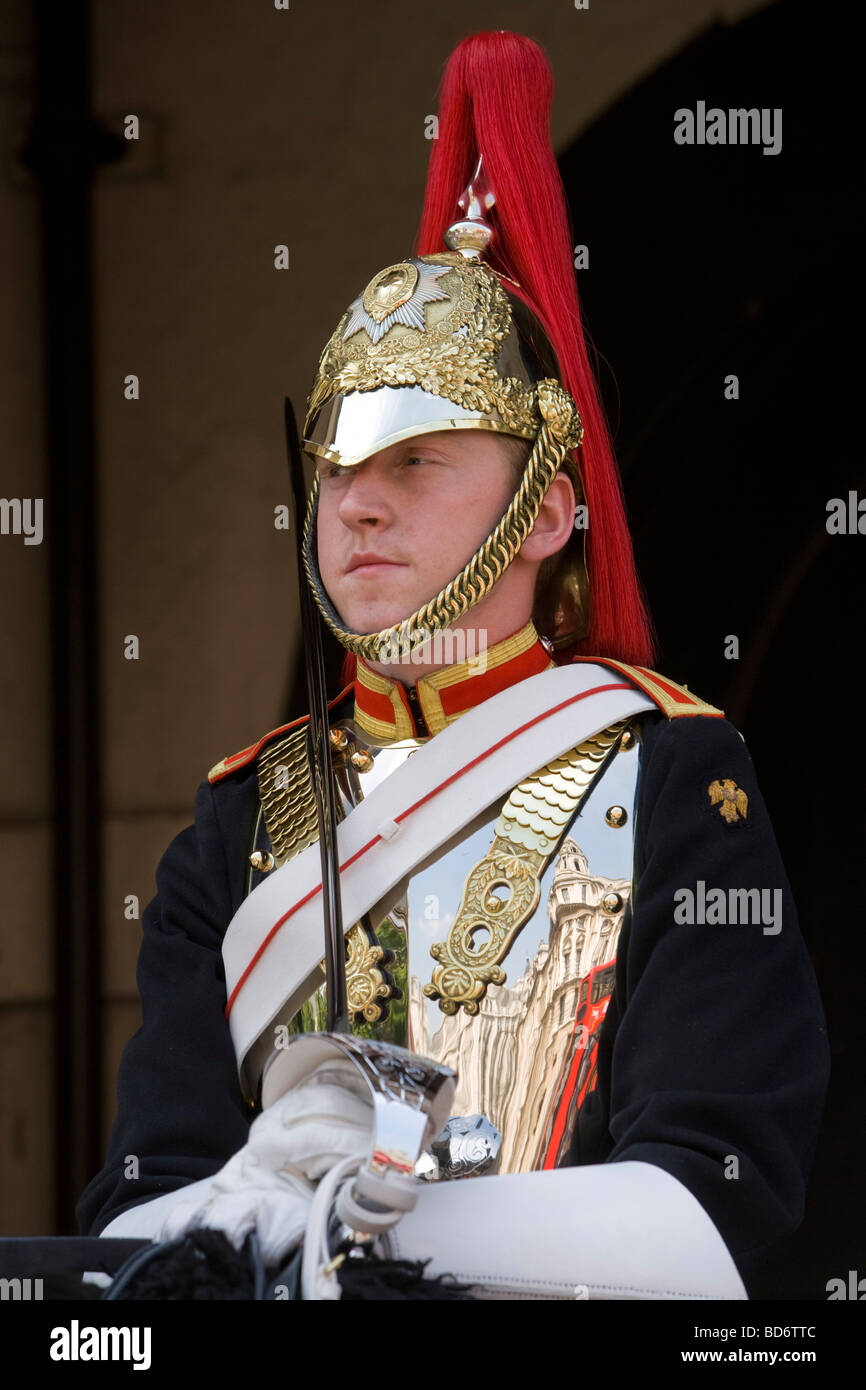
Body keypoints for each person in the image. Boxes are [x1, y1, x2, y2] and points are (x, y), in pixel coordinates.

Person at [77, 30, 829, 1300]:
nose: (357, 506)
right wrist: (244, 1197)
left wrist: (364, 1231)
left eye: (415, 463)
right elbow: (132, 1227)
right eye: (336, 468)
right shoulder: (236, 819)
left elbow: (713, 1204)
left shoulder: (671, 775)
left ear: (543, 511)